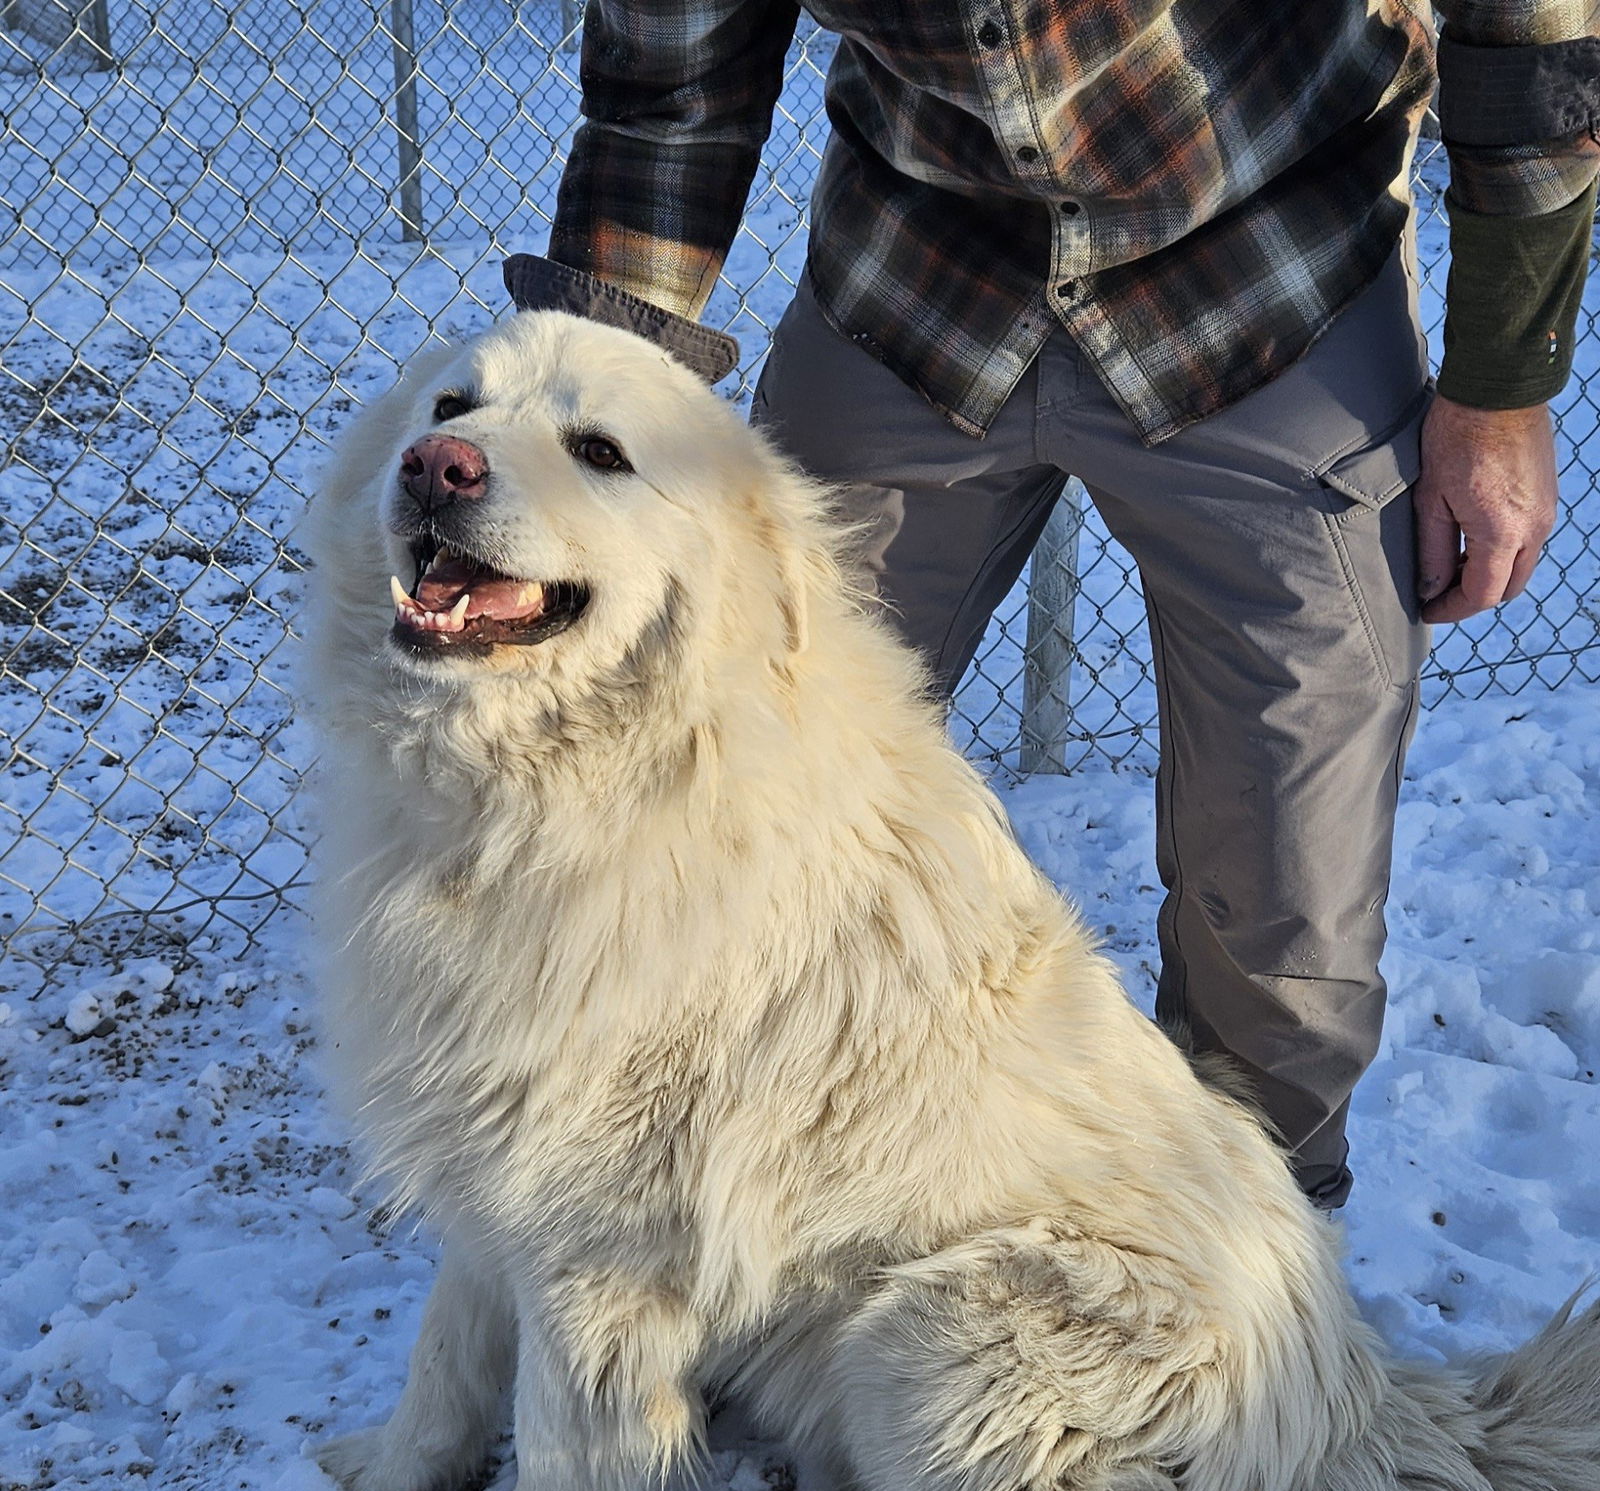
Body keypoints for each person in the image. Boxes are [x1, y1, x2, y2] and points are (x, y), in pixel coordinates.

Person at [509, 3, 1600, 1210]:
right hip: (920, 281)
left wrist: (1501, 387)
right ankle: (704, 1230)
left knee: (1288, 911)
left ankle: (1247, 1292)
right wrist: (569, 444)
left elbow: (1535, 38)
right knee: (707, 787)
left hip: (1269, 273)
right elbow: (673, 90)